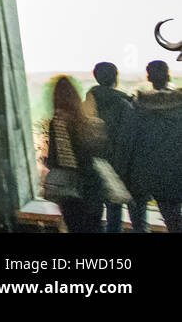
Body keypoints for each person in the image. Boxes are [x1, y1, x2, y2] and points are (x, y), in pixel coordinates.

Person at [116, 60, 182, 232]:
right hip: (177, 171)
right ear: (168, 76)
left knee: (167, 220)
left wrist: (122, 173)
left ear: (148, 77)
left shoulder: (136, 107)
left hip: (148, 173)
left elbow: (127, 143)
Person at [85, 62, 147, 231]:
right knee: (139, 221)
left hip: (103, 170)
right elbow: (130, 142)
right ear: (116, 78)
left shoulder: (87, 105)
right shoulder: (126, 105)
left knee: (112, 219)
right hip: (130, 173)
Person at [44, 75, 106, 232]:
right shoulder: (89, 122)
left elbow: (55, 160)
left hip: (72, 189)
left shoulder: (58, 123)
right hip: (93, 186)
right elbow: (100, 153)